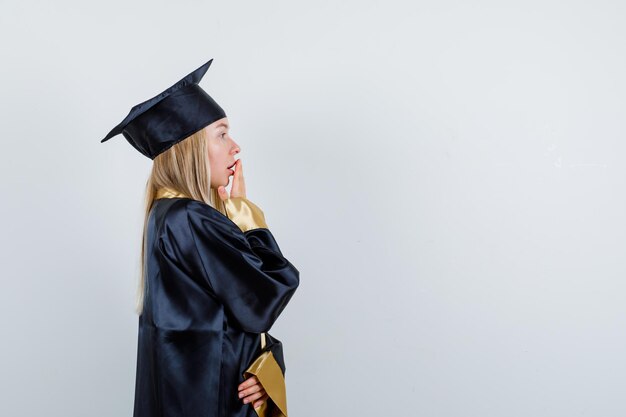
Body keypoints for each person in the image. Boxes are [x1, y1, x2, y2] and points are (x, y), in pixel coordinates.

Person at [100, 59, 300, 417]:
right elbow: (270, 292)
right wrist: (244, 212)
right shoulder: (191, 219)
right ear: (190, 147)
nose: (235, 147)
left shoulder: (165, 216)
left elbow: (226, 321)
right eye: (222, 134)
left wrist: (265, 365)